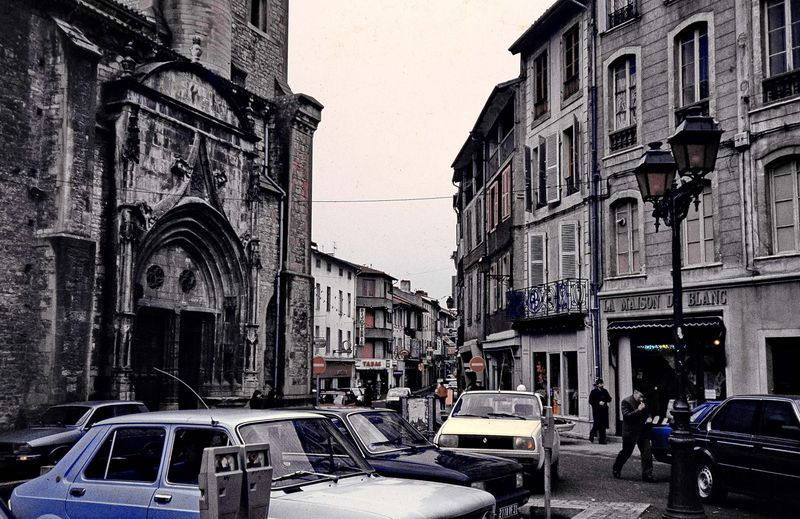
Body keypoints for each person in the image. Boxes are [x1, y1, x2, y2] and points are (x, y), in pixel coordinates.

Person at [612, 390, 655, 482]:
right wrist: (638, 410)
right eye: (640, 395)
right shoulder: (626, 402)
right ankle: (617, 468)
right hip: (631, 432)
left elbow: (648, 412)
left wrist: (649, 417)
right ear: (635, 393)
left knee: (647, 452)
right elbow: (627, 416)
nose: (642, 398)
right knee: (626, 452)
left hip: (642, 431)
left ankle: (647, 474)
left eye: (643, 396)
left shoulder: (643, 401)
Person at [588, 378, 612, 444]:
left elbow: (609, 399)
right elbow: (590, 401)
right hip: (597, 410)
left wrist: (605, 401)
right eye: (600, 384)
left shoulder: (605, 391)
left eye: (602, 383)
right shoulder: (593, 392)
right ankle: (591, 435)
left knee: (603, 425)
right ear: (597, 385)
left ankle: (602, 440)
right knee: (596, 424)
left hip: (604, 410)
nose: (602, 385)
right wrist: (598, 402)